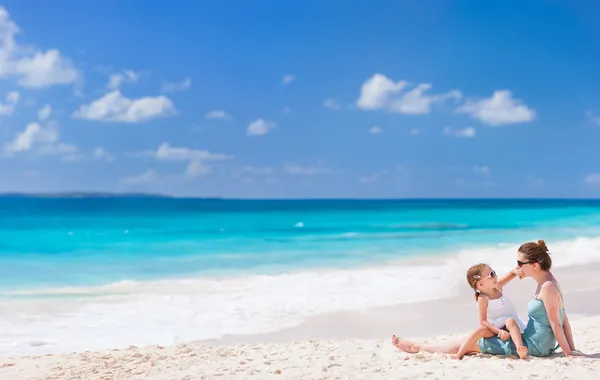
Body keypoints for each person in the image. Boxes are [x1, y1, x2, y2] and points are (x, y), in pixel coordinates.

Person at [392, 240, 581, 359]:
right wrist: (571, 350)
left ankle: (420, 346)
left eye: (520, 263)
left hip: (527, 339)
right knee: (468, 341)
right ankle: (421, 346)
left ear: (534, 264)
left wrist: (568, 353)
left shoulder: (544, 287)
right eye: (490, 274)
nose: (517, 266)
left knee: (468, 343)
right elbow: (563, 320)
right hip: (516, 335)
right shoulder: (549, 282)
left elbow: (558, 323)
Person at [452, 263, 528, 360]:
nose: (495, 276)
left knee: (510, 321)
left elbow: (511, 274)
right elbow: (483, 321)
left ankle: (520, 349)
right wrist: (499, 331)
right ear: (480, 284)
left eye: (494, 272)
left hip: (510, 324)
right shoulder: (483, 298)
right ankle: (459, 354)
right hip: (494, 326)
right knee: (479, 331)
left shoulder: (498, 287)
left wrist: (516, 271)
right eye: (491, 275)